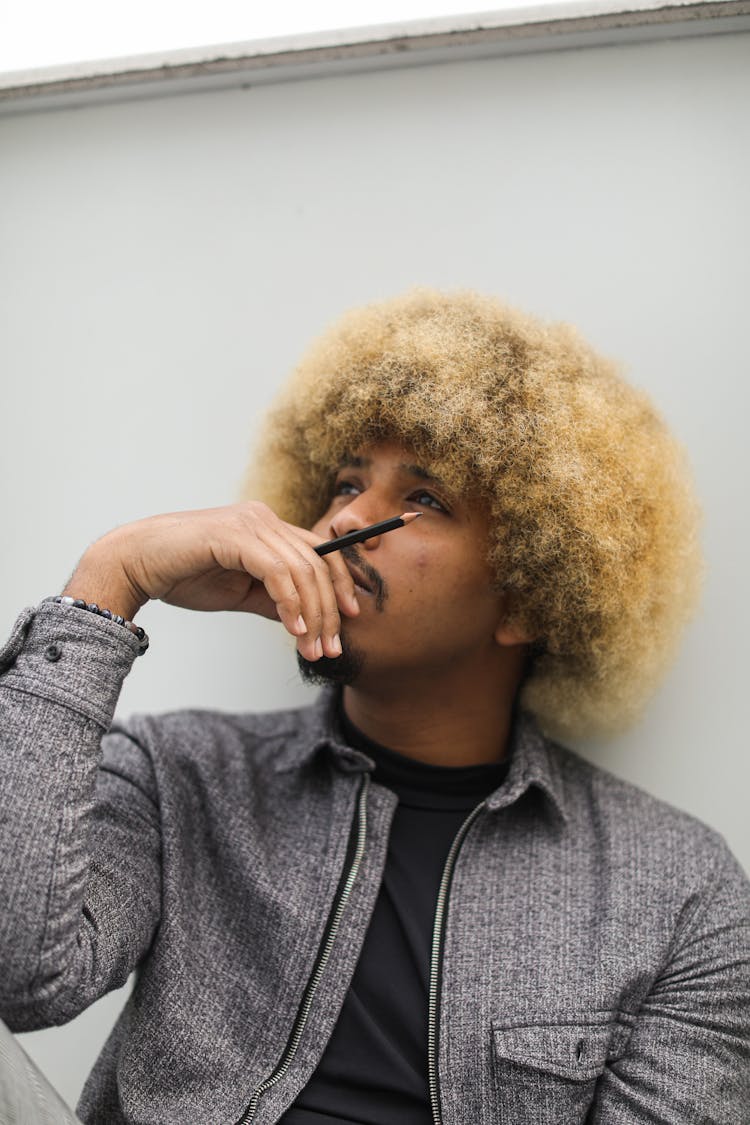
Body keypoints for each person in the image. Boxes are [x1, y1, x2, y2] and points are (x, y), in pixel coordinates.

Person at [0, 289, 748, 1125]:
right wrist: (110, 581)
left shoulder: (680, 893)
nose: (345, 517)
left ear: (531, 594)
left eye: (424, 498)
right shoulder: (180, 774)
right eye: (346, 481)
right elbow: (18, 973)